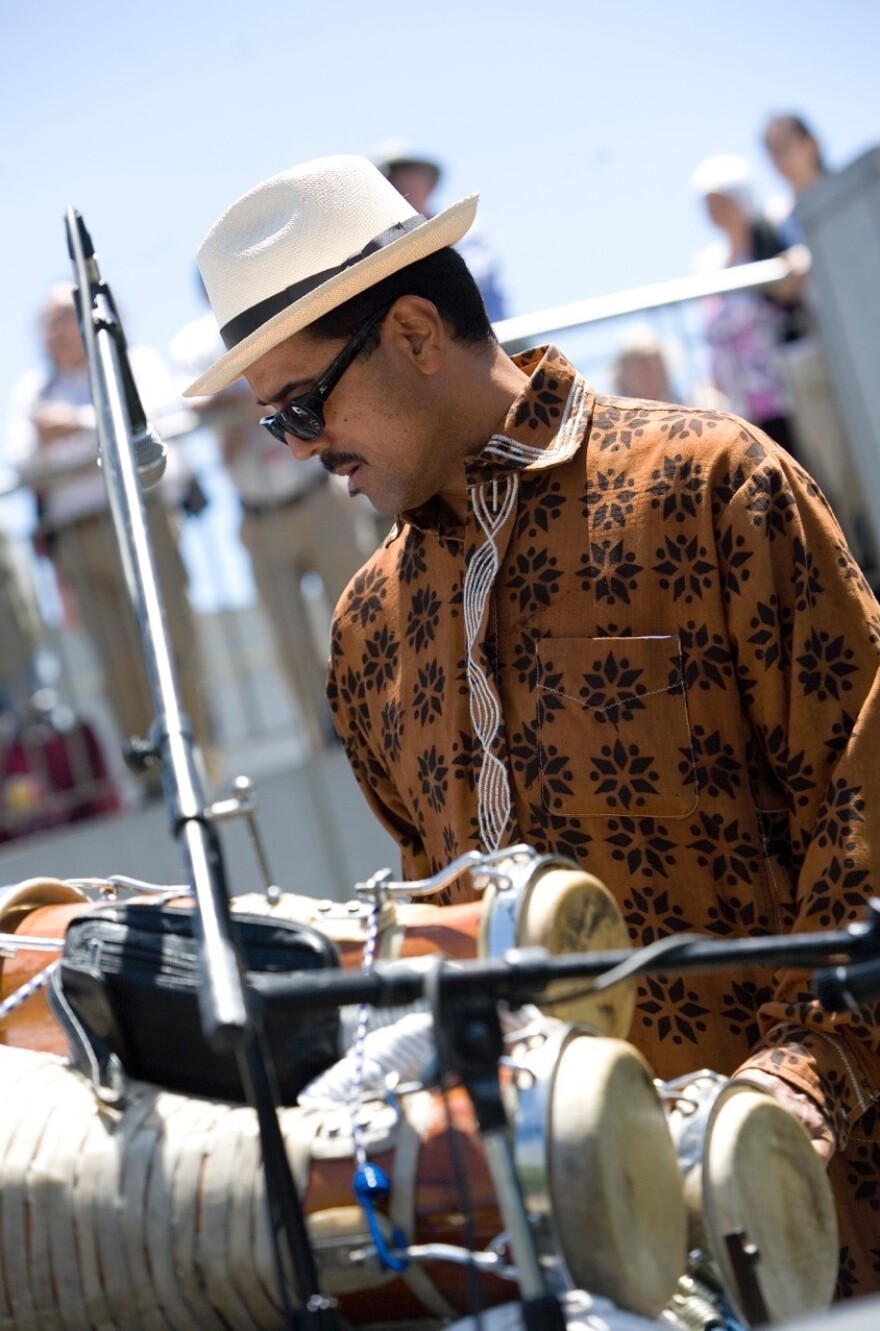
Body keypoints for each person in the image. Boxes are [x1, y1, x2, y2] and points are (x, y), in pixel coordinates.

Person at [185, 153, 880, 1299]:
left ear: (414, 331)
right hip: (571, 1267)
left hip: (829, 1216)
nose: (303, 449)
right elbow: (443, 944)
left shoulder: (710, 485)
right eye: (274, 426)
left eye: (305, 406)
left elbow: (865, 808)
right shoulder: (365, 633)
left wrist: (790, 1092)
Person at [5, 282, 216, 796]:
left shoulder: (132, 363)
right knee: (117, 663)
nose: (54, 333)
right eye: (47, 324)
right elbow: (21, 460)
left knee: (173, 648)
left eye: (62, 319)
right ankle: (149, 780)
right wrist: (84, 435)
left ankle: (199, 768)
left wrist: (76, 426)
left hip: (142, 519)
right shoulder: (34, 391)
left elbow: (158, 426)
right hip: (79, 539)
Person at [169, 282, 377, 755]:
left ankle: (384, 714)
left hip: (317, 495)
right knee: (289, 640)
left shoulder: (280, 310)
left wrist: (244, 400)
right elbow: (189, 401)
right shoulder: (195, 343)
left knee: (362, 615)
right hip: (258, 515)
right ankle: (327, 734)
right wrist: (247, 399)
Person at [690, 152, 808, 461]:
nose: (715, 211)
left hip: (788, 387)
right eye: (709, 204)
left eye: (721, 201)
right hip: (742, 401)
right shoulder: (707, 265)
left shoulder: (771, 238)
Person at [371, 140, 508, 322]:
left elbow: (468, 282)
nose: (400, 189)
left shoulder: (469, 228)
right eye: (389, 181)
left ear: (428, 185)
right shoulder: (374, 246)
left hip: (491, 340)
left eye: (409, 178)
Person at [763, 113, 829, 247]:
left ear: (812, 144)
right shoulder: (777, 222)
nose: (780, 159)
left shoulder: (856, 191)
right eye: (773, 152)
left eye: (785, 148)